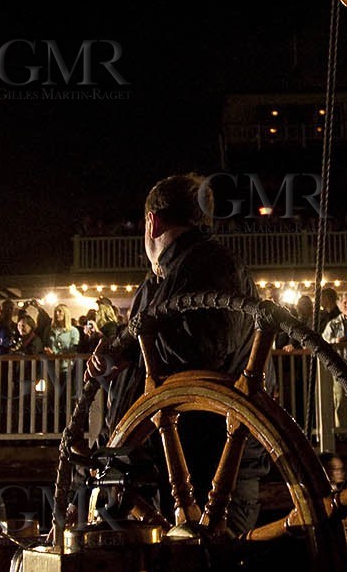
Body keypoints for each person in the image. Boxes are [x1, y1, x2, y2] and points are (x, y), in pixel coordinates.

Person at [89, 174, 268, 534]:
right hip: (167, 463)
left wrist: (132, 352)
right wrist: (117, 349)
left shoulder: (212, 267)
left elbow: (204, 348)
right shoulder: (161, 282)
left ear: (152, 222)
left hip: (211, 469)